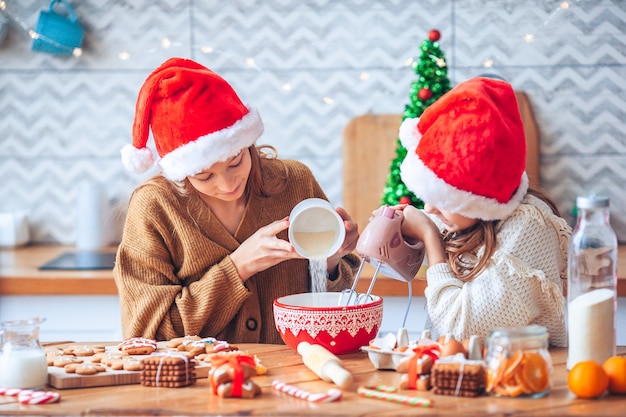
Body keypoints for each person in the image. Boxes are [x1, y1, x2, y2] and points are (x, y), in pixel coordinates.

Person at [114, 57, 360, 343]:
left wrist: (330, 259)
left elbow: (334, 308)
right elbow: (147, 335)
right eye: (205, 176)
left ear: (247, 144)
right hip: (198, 384)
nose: (227, 184)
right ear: (181, 172)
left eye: (236, 161)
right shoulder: (155, 207)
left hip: (293, 376)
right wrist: (238, 267)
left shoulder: (295, 183)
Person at [395, 77, 570, 347]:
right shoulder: (464, 219)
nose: (429, 209)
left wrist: (429, 236)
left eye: (444, 200)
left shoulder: (529, 227)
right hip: (466, 377)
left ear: (477, 199)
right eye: (428, 197)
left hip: (524, 377)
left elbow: (462, 330)